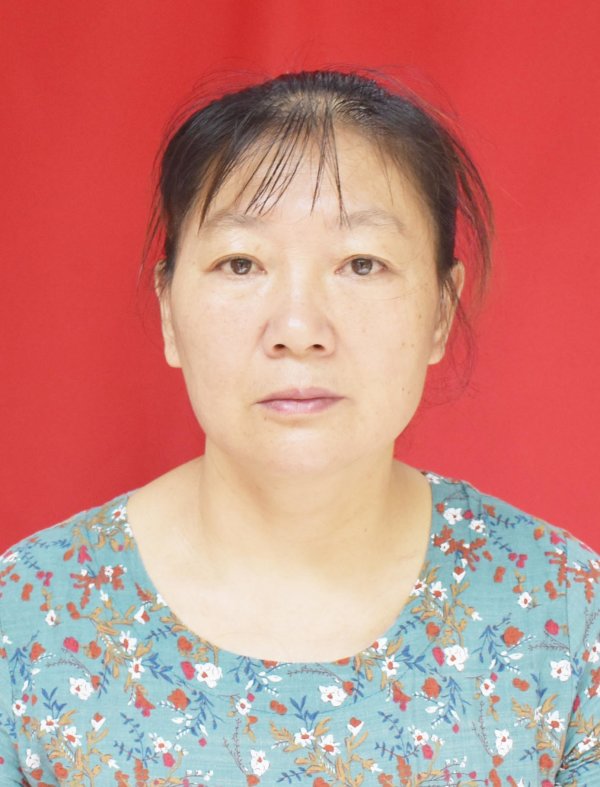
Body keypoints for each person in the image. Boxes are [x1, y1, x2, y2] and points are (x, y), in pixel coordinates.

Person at [0, 70, 598, 787]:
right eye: (241, 263)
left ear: (442, 310)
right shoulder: (27, 618)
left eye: (362, 264)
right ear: (168, 311)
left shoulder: (567, 611)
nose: (297, 328)